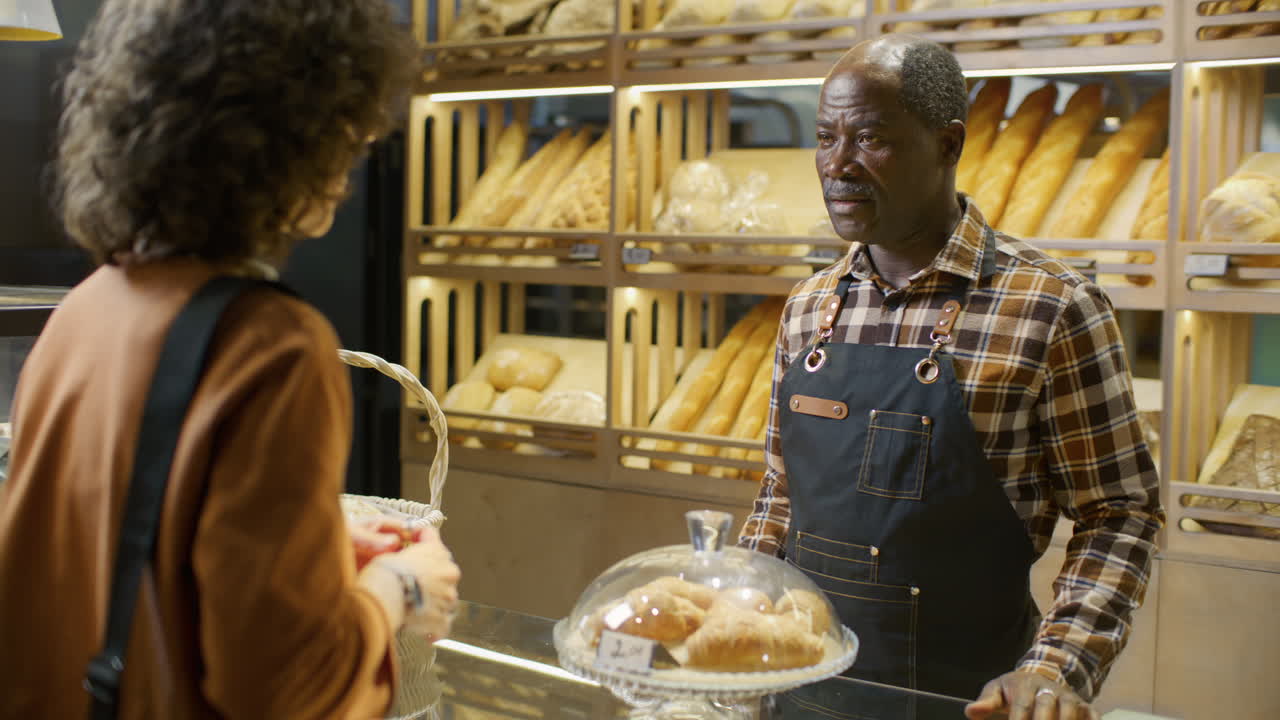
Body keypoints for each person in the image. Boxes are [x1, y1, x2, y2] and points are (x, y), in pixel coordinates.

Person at [0, 1, 461, 718]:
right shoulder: (273, 347)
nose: (354, 156)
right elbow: (280, 688)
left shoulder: (86, 311)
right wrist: (400, 587)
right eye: (346, 131)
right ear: (289, 134)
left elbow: (98, 543)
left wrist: (314, 540)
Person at [739, 35, 1165, 720]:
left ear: (948, 144)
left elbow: (1119, 512)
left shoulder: (1052, 307)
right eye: (825, 138)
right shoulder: (810, 307)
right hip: (801, 693)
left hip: (969, 701)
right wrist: (735, 606)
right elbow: (782, 494)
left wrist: (1055, 667)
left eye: (870, 138)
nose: (837, 164)